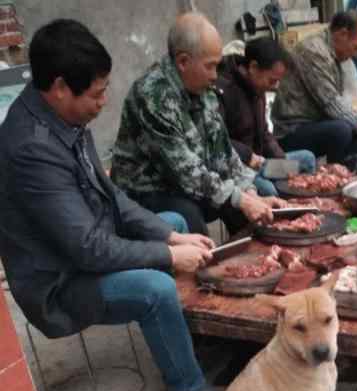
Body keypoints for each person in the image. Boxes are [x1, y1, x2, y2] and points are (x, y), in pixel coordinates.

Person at [0, 19, 220, 391]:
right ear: (61, 86)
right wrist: (168, 258)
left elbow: (112, 197)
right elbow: (89, 250)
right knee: (156, 286)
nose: (104, 102)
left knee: (176, 221)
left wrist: (169, 237)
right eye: (98, 94)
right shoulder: (31, 148)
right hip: (60, 281)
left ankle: (189, 341)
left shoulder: (66, 117)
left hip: (84, 245)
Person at [111, 12, 285, 237]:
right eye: (210, 66)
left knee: (251, 201)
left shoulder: (202, 90)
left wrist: (249, 192)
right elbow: (186, 173)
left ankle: (258, 263)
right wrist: (241, 199)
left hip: (184, 185)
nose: (215, 75)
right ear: (183, 61)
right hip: (145, 192)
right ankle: (208, 269)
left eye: (217, 66)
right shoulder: (154, 95)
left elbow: (224, 153)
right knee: (191, 214)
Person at [215, 37, 316, 197]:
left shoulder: (258, 88)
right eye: (272, 80)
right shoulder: (224, 89)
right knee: (269, 190)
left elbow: (264, 133)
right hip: (239, 169)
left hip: (261, 164)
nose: (275, 86)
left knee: (307, 159)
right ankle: (284, 213)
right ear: (254, 67)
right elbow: (216, 140)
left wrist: (282, 161)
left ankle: (301, 208)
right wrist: (248, 156)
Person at [271, 10, 357, 164]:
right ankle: (334, 176)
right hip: (291, 131)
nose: (356, 54)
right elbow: (331, 103)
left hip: (312, 123)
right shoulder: (313, 51)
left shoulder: (331, 52)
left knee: (356, 131)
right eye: (356, 47)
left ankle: (346, 172)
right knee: (343, 130)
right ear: (343, 34)